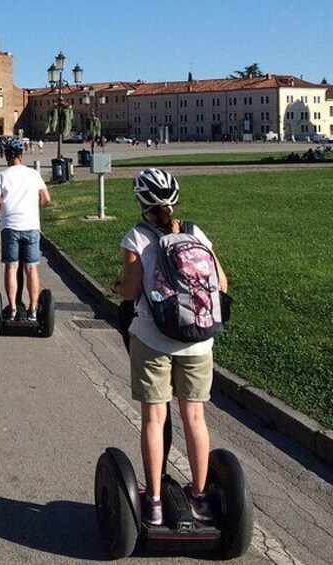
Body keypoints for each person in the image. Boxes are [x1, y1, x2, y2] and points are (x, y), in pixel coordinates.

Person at [110, 168, 228, 527]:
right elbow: (221, 283)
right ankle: (199, 496)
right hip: (197, 340)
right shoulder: (196, 233)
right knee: (195, 417)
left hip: (152, 337)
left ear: (140, 201)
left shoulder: (136, 238)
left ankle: (156, 502)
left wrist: (116, 287)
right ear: (174, 201)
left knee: (154, 418)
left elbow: (130, 291)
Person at [0, 139, 50, 321]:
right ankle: (32, 309)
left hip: (11, 227)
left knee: (11, 267)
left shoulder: (2, 175)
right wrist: (33, 204)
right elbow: (46, 198)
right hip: (31, 226)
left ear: (7, 156)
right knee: (31, 268)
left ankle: (14, 308)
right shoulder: (33, 174)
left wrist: (5, 207)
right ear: (21, 155)